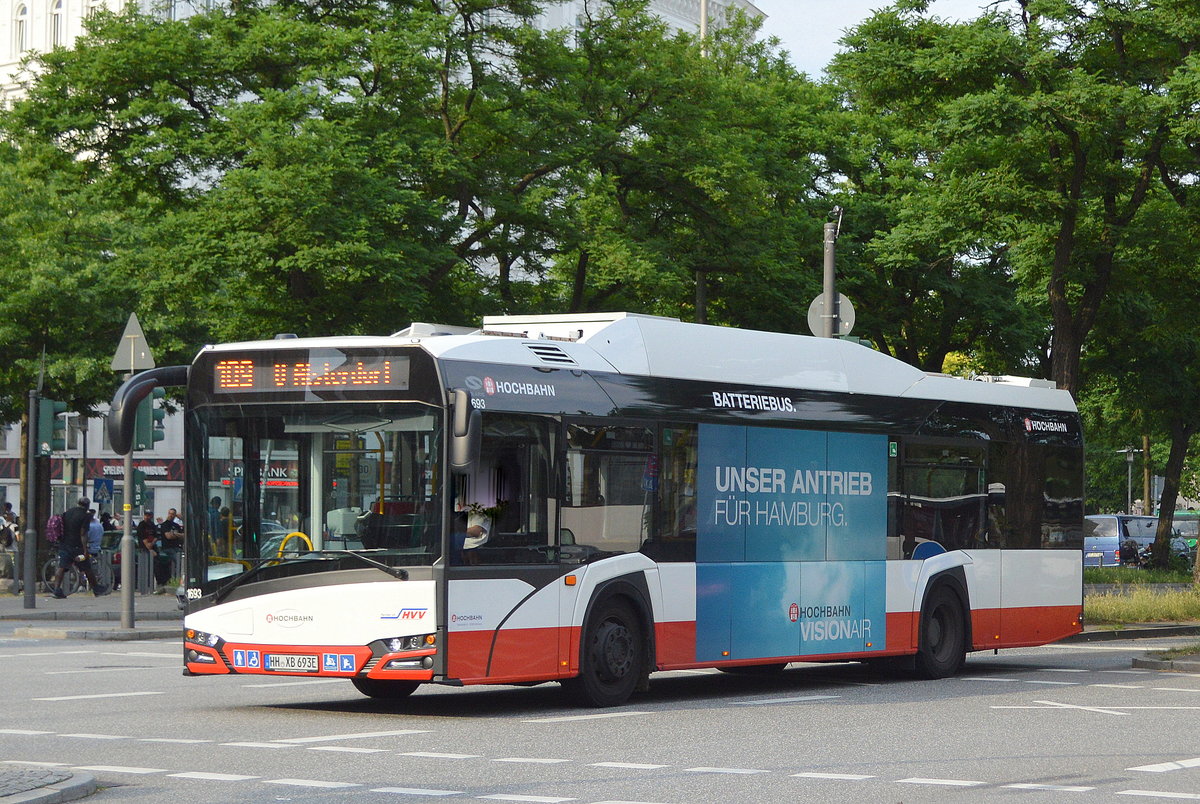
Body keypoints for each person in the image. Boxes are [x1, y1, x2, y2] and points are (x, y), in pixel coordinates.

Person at [50, 497, 107, 598]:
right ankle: (96, 589)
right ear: (87, 505)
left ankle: (57, 589)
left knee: (62, 567)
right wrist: (85, 549)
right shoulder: (86, 515)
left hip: (64, 544)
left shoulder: (68, 512)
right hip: (77, 546)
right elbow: (83, 533)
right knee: (87, 567)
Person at [137, 511, 169, 593]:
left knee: (158, 566)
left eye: (149, 515)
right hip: (144, 550)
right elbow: (143, 539)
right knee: (147, 567)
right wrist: (150, 549)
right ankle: (146, 586)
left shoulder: (152, 525)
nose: (147, 517)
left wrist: (152, 545)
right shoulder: (141, 525)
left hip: (153, 547)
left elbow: (156, 536)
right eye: (146, 515)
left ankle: (160, 583)